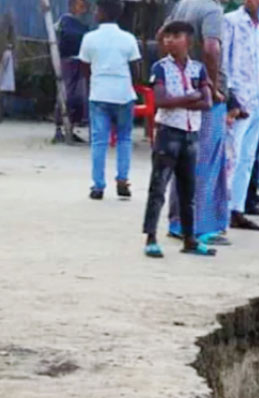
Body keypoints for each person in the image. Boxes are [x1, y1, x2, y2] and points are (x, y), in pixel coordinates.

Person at [143, 21, 216, 258]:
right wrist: (191, 97)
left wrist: (185, 99)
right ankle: (151, 237)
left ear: (189, 41)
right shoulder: (160, 67)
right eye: (167, 37)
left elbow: (207, 102)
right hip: (168, 131)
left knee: (188, 191)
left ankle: (189, 239)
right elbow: (161, 101)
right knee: (158, 187)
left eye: (175, 36)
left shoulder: (198, 68)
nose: (169, 41)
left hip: (189, 133)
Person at [166, 0, 233, 242]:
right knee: (207, 160)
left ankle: (178, 223)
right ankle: (199, 227)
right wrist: (212, 88)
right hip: (206, 98)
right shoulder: (212, 11)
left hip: (186, 92)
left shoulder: (184, 4)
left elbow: (162, 36)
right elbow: (211, 48)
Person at [77, 0, 140, 201]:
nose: (95, 12)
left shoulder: (89, 38)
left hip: (99, 94)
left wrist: (96, 80)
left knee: (99, 141)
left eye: (97, 9)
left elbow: (84, 69)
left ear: (102, 12)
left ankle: (98, 186)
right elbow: (136, 69)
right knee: (124, 138)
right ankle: (122, 180)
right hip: (123, 94)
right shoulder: (128, 39)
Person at [223, 0, 259, 233]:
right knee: (231, 157)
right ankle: (221, 211)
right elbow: (223, 61)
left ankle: (237, 209)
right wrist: (230, 97)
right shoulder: (230, 21)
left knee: (247, 158)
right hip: (239, 99)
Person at [55, 0, 91, 142]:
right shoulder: (65, 20)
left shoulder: (83, 24)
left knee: (79, 96)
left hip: (80, 61)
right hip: (67, 61)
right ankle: (59, 127)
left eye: (84, 7)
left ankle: (71, 127)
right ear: (72, 6)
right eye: (80, 6)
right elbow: (66, 38)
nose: (83, 10)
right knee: (66, 94)